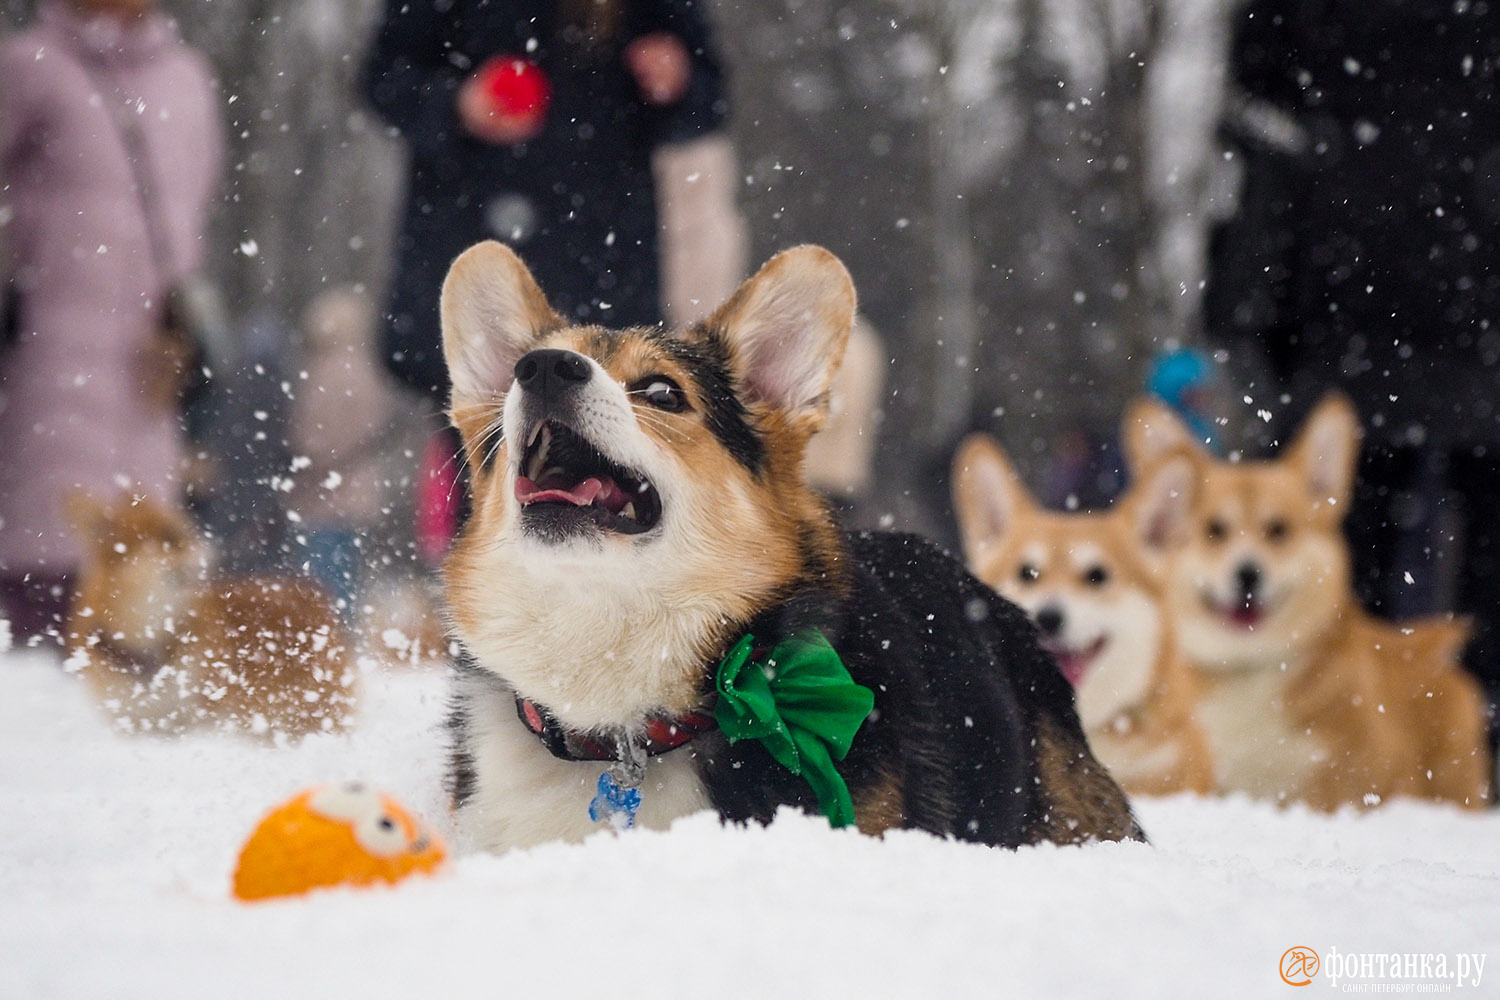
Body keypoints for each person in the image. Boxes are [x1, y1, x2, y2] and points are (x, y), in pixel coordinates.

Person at [1205, 0, 1500, 735]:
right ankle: (1458, 726)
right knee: (1386, 533)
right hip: (1431, 298)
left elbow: (1258, 128)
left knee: (1335, 535)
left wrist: (1244, 302)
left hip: (1343, 294)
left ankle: (1347, 724)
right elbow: (1257, 124)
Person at [362, 0, 728, 405]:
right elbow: (384, 76)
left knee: (598, 413)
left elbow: (710, 97)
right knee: (478, 416)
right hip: (477, 238)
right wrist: (458, 104)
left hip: (603, 253)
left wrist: (677, 81)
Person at [0, 0, 224, 643]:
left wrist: (182, 316)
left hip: (151, 352)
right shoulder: (30, 66)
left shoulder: (188, 78)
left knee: (137, 541)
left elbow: (194, 214)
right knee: (40, 527)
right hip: (42, 339)